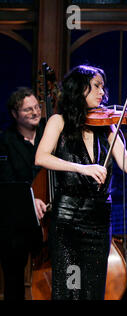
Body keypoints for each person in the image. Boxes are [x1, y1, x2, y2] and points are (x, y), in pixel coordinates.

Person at [34, 65, 127, 300]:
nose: (102, 93)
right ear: (79, 89)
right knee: (68, 291)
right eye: (96, 86)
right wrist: (83, 168)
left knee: (92, 293)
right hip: (67, 221)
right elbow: (42, 157)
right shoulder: (59, 121)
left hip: (99, 221)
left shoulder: (107, 126)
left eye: (103, 87)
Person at [0, 87, 47, 300]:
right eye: (28, 110)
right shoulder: (5, 140)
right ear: (14, 114)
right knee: (13, 275)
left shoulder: (50, 131)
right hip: (18, 219)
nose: (35, 112)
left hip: (49, 214)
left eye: (37, 107)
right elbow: (8, 180)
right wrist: (31, 198)